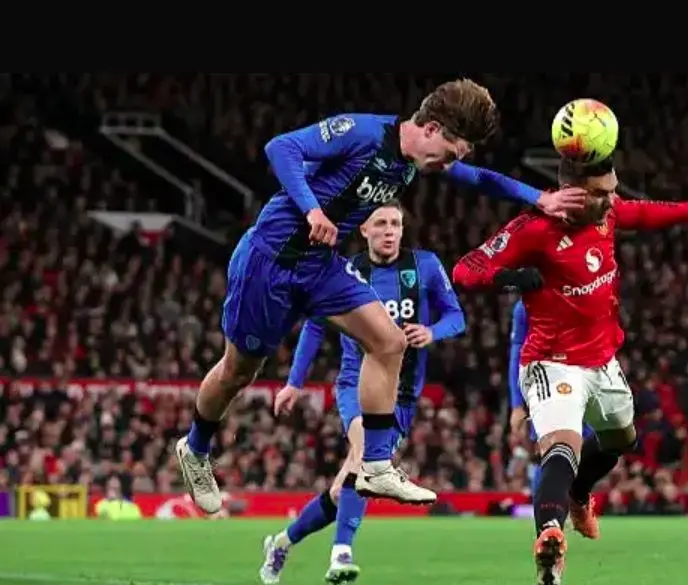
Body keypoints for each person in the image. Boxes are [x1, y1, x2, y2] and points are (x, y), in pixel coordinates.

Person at [175, 79, 586, 514]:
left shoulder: (413, 160)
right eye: (449, 154)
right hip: (270, 261)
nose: (448, 164)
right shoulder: (364, 133)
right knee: (238, 372)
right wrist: (313, 210)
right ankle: (195, 448)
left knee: (389, 342)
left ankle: (375, 464)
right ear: (431, 128)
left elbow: (480, 179)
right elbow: (281, 148)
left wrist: (538, 198)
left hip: (320, 266)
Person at [454, 158, 688, 585]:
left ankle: (579, 494)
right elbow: (465, 269)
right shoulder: (534, 227)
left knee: (621, 439)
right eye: (602, 193)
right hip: (552, 362)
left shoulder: (607, 213)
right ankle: (550, 539)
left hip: (602, 361)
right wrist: (509, 277)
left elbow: (643, 212)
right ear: (572, 192)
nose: (611, 199)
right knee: (562, 447)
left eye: (613, 189)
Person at [259, 202, 466, 585]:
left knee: (344, 489)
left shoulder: (425, 266)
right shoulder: (345, 273)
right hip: (356, 385)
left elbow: (457, 316)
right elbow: (315, 326)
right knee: (365, 458)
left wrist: (432, 331)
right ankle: (341, 554)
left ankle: (282, 542)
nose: (389, 230)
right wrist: (294, 382)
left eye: (395, 224)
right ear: (364, 230)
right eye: (380, 223)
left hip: (402, 396)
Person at [508, 299, 600, 539]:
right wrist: (517, 403)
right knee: (551, 453)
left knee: (596, 444)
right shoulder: (526, 306)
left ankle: (576, 501)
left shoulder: (587, 294)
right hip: (546, 386)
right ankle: (548, 527)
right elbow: (517, 351)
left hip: (584, 381)